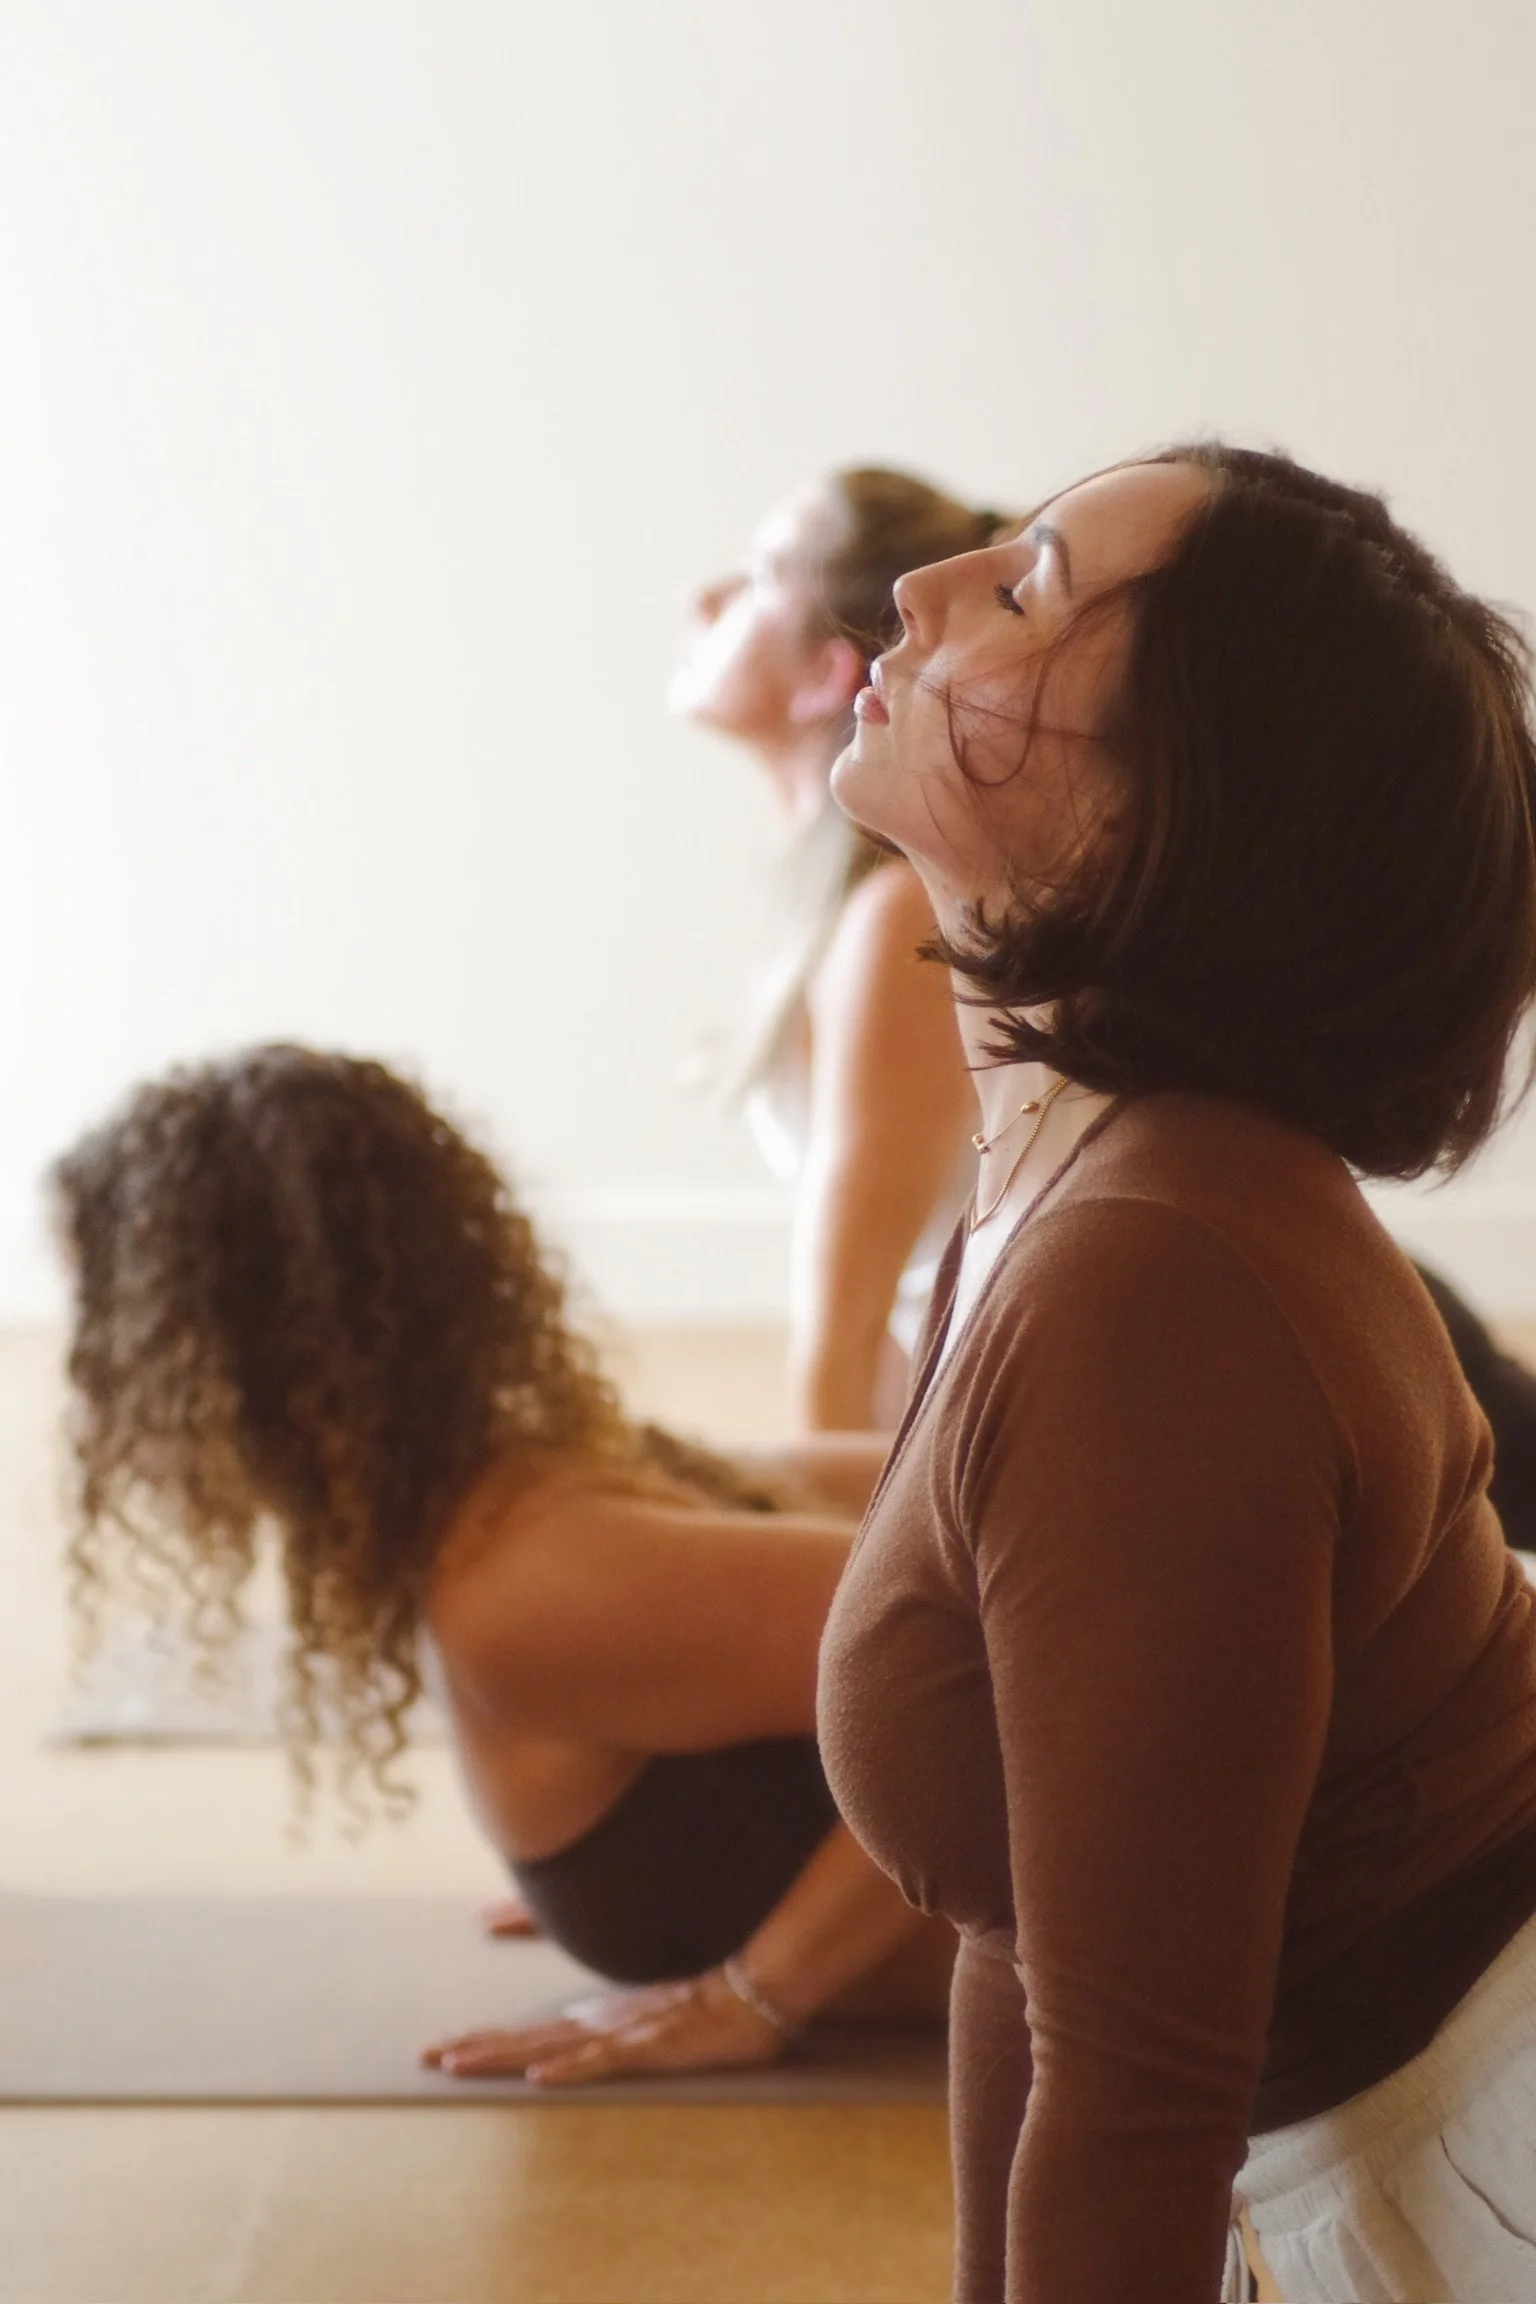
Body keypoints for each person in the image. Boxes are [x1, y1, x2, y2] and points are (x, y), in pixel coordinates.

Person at [816, 447, 1536, 2301]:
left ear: (1178, 800)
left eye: (1031, 586)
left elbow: (1134, 2096)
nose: (924, 586)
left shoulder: (1153, 1279)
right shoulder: (1070, 1177)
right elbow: (1021, 1931)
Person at [52, 1045, 950, 2086]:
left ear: (232, 1350)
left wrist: (757, 1990)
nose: (86, 1388)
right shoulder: (520, 1496)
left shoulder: (523, 1584)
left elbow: (988, 1658)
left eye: (104, 1330)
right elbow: (942, 1501)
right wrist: (656, 1862)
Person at [670, 468, 996, 1427]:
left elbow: (843, 1339)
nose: (703, 600)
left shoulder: (896, 920)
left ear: (827, 675)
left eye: (762, 577)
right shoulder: (858, 911)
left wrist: (845, 1570)